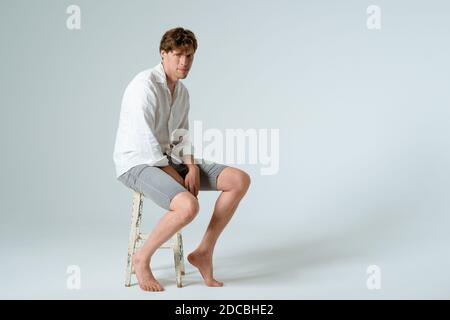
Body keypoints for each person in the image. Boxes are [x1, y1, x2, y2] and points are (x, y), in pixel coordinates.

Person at [113, 27, 251, 292]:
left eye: (189, 56)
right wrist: (178, 177)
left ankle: (204, 253)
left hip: (169, 158)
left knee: (239, 180)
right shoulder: (144, 86)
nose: (184, 62)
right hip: (136, 162)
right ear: (163, 54)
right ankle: (141, 258)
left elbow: (182, 135)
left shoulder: (182, 92)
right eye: (177, 55)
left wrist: (191, 166)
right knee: (188, 207)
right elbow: (146, 144)